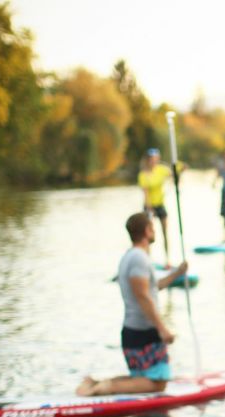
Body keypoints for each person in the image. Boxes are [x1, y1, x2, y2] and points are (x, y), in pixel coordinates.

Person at [77, 212, 188, 396]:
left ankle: (95, 383)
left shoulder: (131, 256)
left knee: (144, 379)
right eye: (152, 228)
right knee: (158, 383)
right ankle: (104, 388)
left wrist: (177, 273)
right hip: (144, 331)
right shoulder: (139, 258)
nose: (155, 231)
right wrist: (162, 329)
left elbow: (153, 287)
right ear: (147, 231)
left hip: (134, 331)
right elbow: (143, 296)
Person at [138, 148, 173, 262]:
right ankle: (148, 260)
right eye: (151, 159)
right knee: (149, 235)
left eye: (155, 159)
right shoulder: (143, 175)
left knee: (165, 232)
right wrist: (149, 208)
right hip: (149, 207)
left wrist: (178, 174)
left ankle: (168, 260)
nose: (153, 161)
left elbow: (173, 173)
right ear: (147, 160)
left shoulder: (162, 169)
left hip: (160, 205)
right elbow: (146, 192)